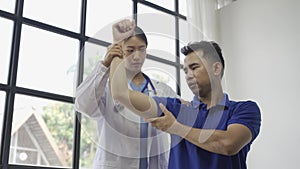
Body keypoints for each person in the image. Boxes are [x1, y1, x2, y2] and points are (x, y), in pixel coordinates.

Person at [110, 38, 261, 169]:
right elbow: (120, 93)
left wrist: (176, 128)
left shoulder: (244, 109)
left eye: (194, 68)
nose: (188, 75)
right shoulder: (176, 109)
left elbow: (228, 143)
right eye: (186, 71)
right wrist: (116, 53)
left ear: (216, 68)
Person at [75, 19, 177, 169]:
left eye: (141, 49)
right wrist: (105, 65)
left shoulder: (161, 89)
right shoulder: (105, 86)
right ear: (120, 51)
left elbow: (182, 118)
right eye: (130, 50)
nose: (137, 56)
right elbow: (82, 104)